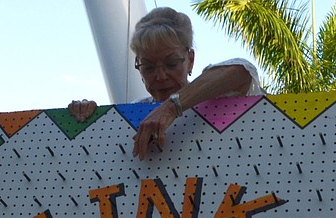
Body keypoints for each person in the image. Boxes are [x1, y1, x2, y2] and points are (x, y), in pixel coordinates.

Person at [68, 6, 263, 160]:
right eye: (148, 67)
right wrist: (88, 117)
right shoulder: (134, 111)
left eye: (171, 64)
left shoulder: (216, 99)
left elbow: (242, 70)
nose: (160, 76)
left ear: (190, 60)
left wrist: (171, 107)